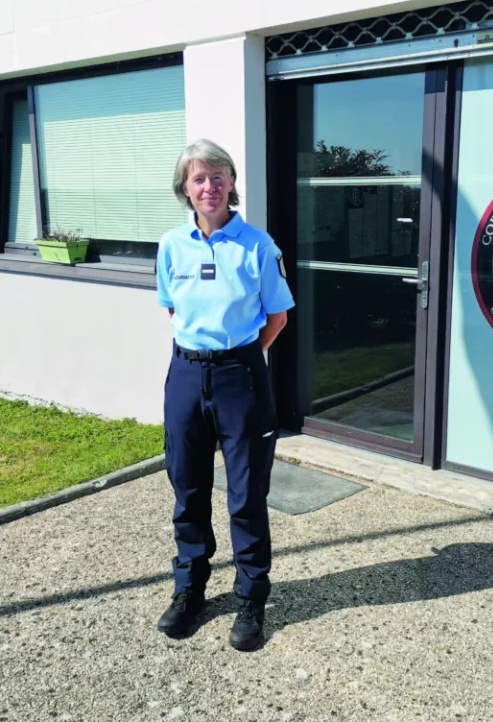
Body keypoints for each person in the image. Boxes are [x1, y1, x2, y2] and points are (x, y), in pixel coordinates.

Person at [154, 138, 294, 651]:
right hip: (187, 376)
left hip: (241, 377)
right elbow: (174, 309)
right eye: (198, 178)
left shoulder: (259, 245)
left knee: (245, 495)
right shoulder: (171, 245)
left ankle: (251, 598)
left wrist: (236, 360)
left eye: (218, 176)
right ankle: (190, 590)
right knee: (187, 488)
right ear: (185, 189)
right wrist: (203, 356)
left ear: (232, 182)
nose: (209, 186)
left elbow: (276, 318)